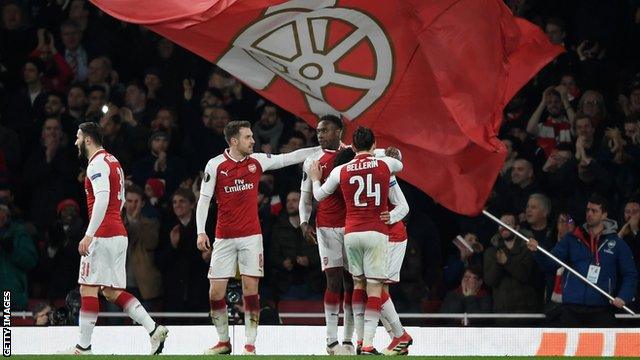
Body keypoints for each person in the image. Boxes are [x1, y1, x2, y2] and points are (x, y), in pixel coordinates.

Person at [195, 120, 319, 355]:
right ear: (234, 141)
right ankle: (223, 342)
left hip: (252, 237)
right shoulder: (216, 165)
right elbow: (203, 200)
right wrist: (201, 231)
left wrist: (320, 149)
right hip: (223, 238)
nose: (253, 141)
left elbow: (287, 158)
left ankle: (250, 344)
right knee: (215, 293)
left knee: (251, 290)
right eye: (248, 137)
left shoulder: (257, 161)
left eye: (252, 137)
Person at [60, 122, 168, 355]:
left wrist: (89, 235)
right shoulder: (113, 161)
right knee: (111, 292)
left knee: (87, 289)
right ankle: (153, 329)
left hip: (103, 233)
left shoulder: (96, 164)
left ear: (88, 139)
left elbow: (102, 198)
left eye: (78, 137)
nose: (76, 142)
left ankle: (83, 347)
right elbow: (118, 201)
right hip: (118, 232)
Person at [310, 126, 403, 355]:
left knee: (358, 284)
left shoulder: (341, 170)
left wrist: (314, 179)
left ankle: (358, 341)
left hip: (351, 234)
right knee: (375, 288)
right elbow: (399, 162)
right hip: (376, 232)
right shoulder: (384, 164)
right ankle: (366, 342)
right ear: (374, 144)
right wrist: (388, 154)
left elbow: (319, 196)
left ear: (351, 147)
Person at [527, 194, 638, 327]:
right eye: (587, 210)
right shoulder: (571, 239)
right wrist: (538, 250)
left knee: (600, 348)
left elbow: (630, 274)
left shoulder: (617, 243)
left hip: (601, 308)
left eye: (594, 211)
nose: (589, 214)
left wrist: (624, 296)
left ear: (604, 215)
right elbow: (550, 264)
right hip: (571, 309)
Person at [299, 115, 354, 354]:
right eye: (318, 131)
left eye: (325, 130)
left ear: (339, 132)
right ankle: (331, 341)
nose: (320, 134)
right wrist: (303, 222)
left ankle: (350, 339)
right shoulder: (312, 160)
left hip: (352, 226)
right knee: (333, 280)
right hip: (326, 227)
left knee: (352, 282)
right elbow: (305, 197)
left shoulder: (352, 155)